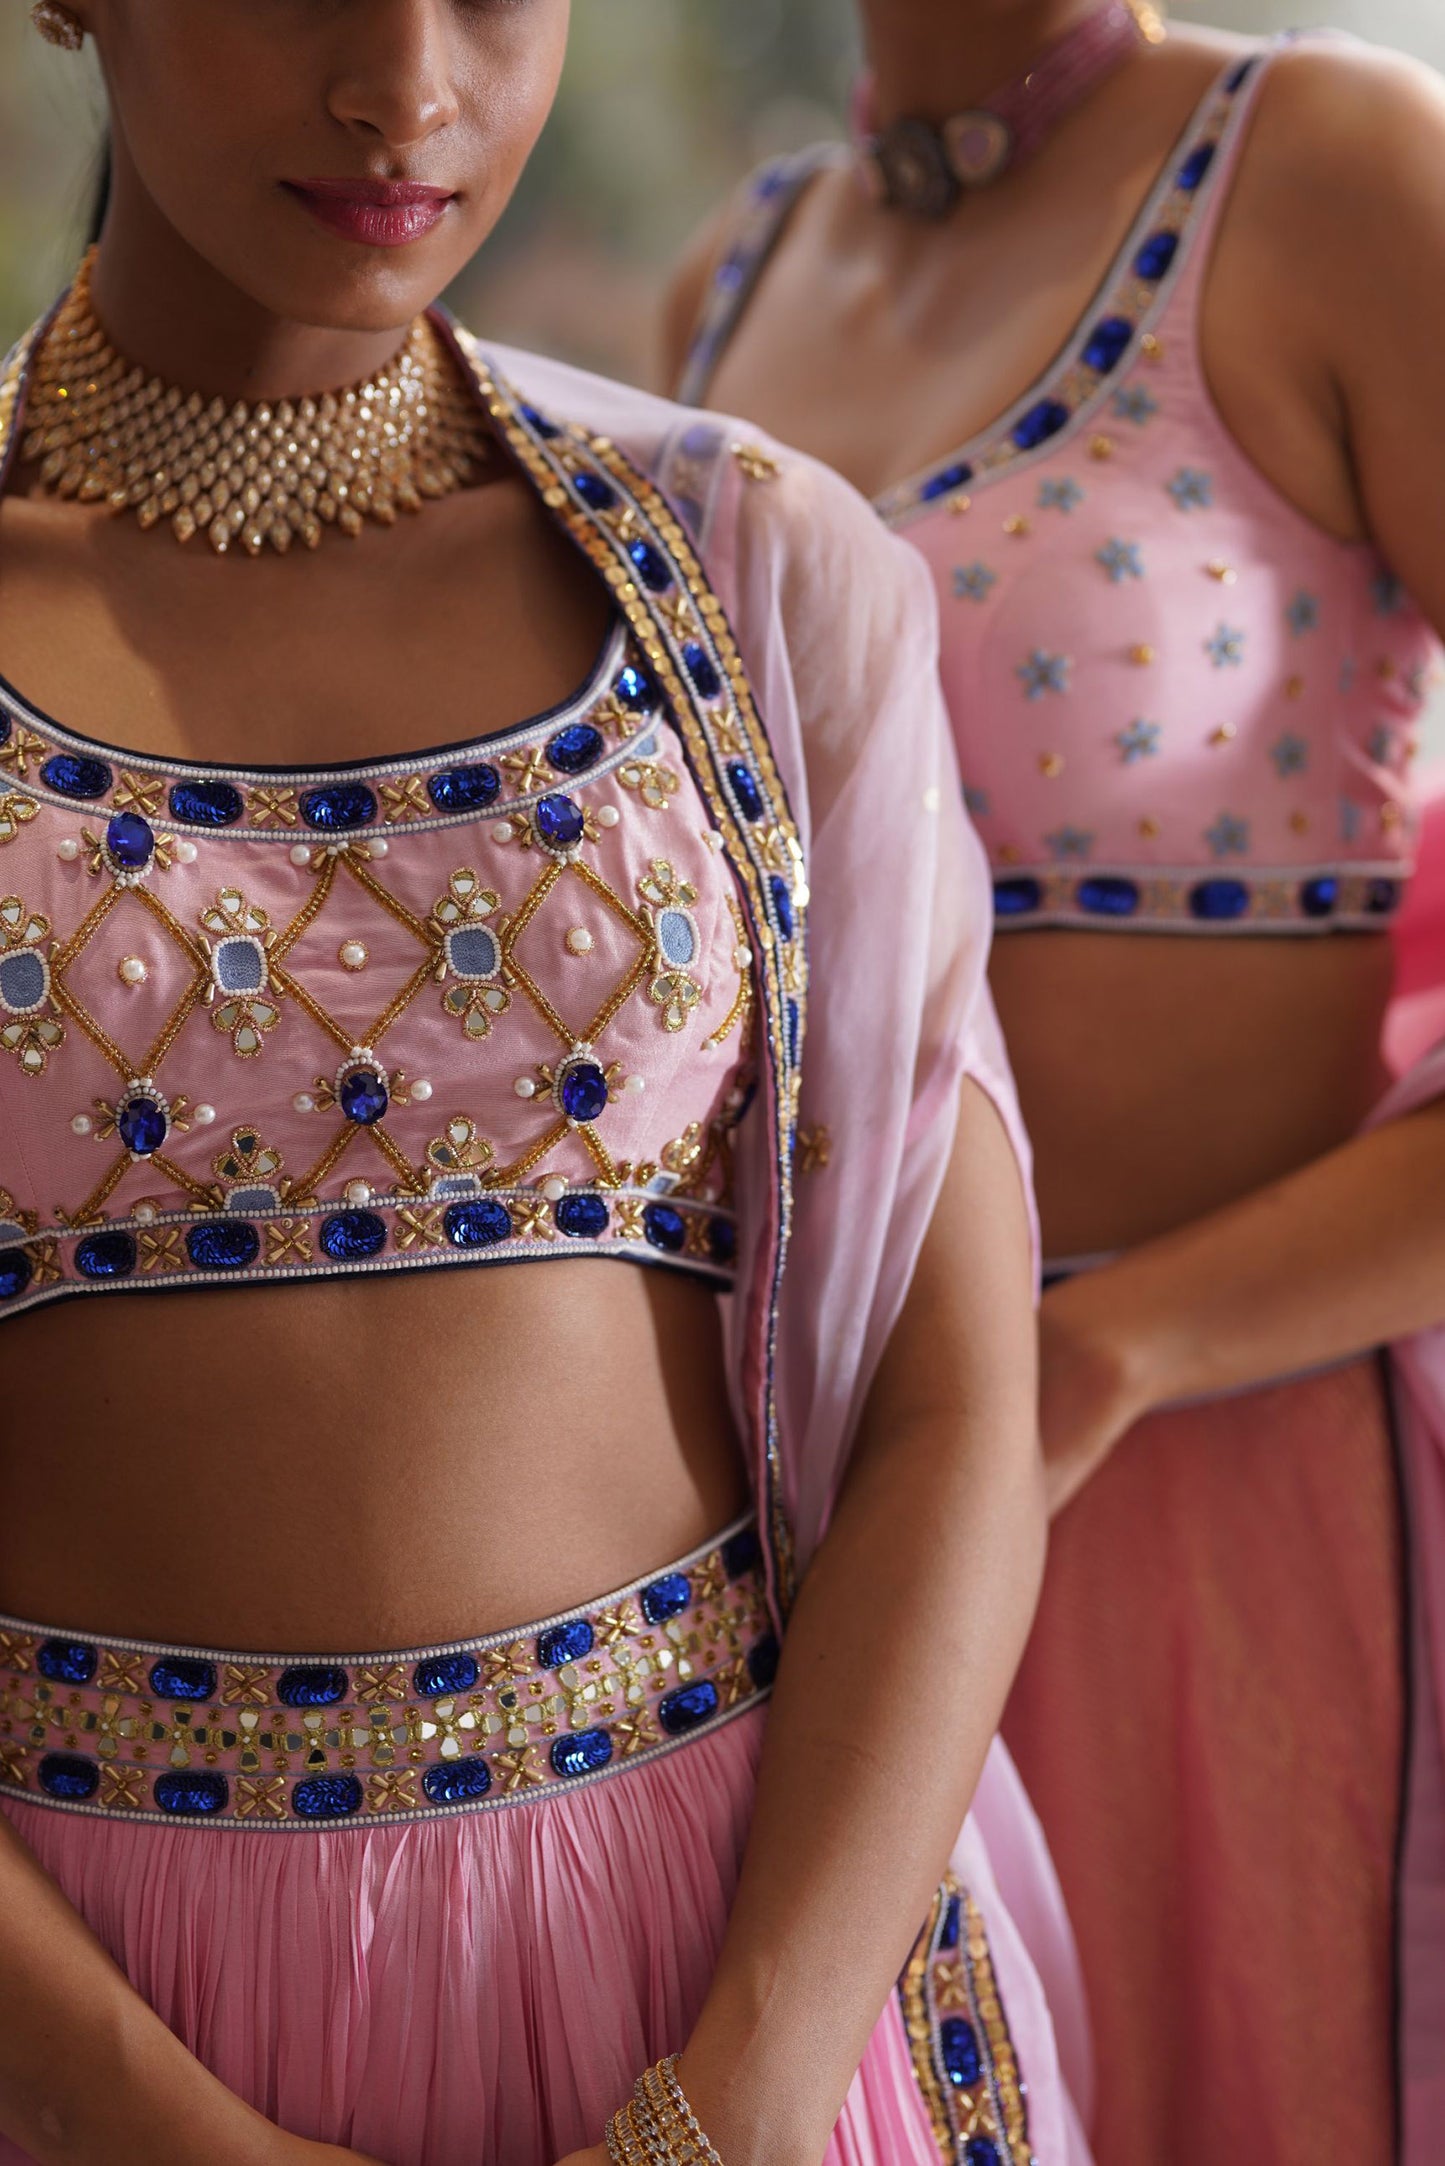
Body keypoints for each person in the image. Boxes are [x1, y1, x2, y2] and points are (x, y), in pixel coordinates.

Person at [0, 5, 1093, 2166]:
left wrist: (746, 2100)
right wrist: (159, 2130)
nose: (406, 80)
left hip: (727, 1982)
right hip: (93, 2028)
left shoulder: (761, 576)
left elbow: (956, 1405)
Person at [663, 3, 1445, 2162]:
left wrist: (1106, 1355)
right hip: (808, 1531)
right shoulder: (722, 279)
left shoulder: (1341, 166)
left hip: (1211, 1493)